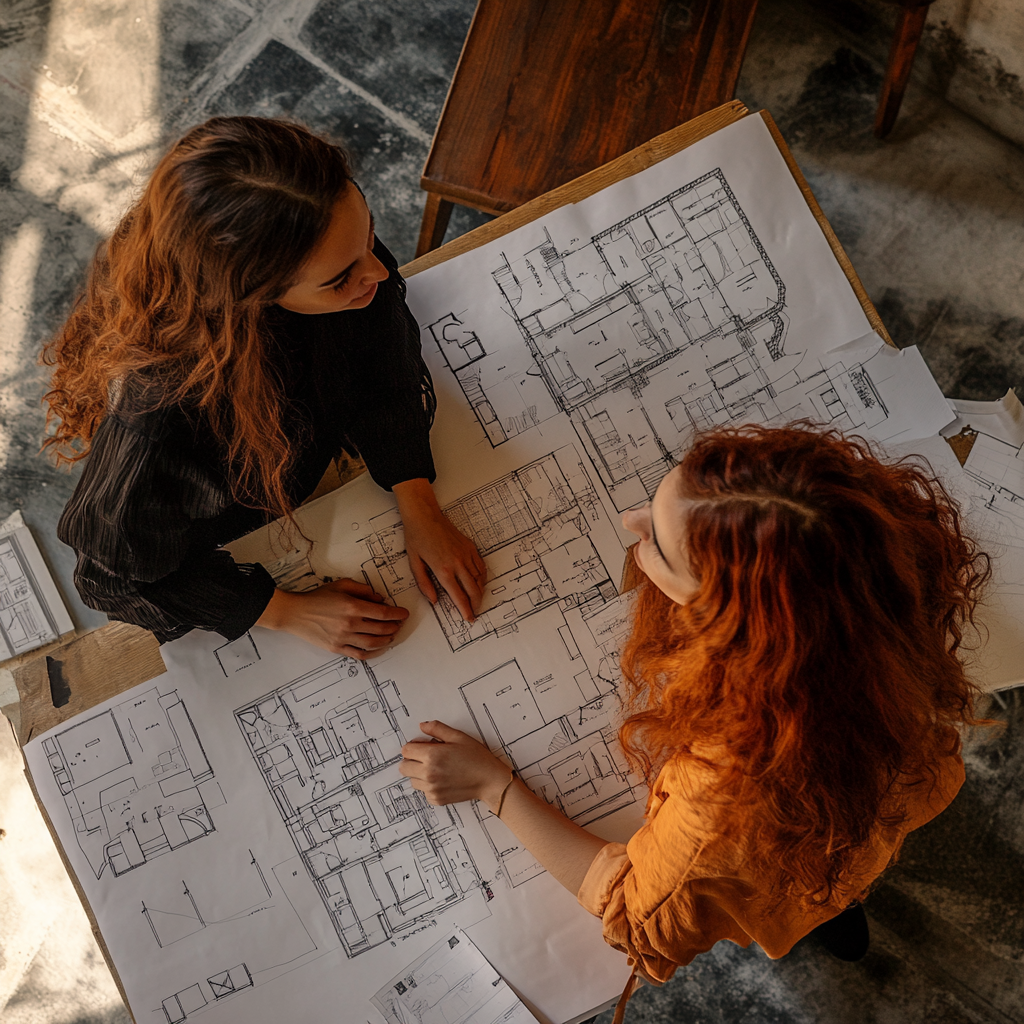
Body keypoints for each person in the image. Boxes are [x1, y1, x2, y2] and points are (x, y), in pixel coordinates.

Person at [398, 423, 989, 1023]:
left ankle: (823, 908)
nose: (632, 523)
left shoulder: (729, 788)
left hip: (787, 841)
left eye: (658, 540)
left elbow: (636, 919)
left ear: (728, 622)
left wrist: (494, 788)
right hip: (881, 791)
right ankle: (833, 905)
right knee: (831, 868)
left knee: (805, 879)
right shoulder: (877, 561)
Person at [44, 116, 487, 656]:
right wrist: (286, 610)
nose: (376, 272)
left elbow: (380, 350)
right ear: (247, 294)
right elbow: (111, 579)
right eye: (339, 278)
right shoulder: (158, 420)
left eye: (368, 234)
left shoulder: (329, 241)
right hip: (237, 514)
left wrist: (417, 499)